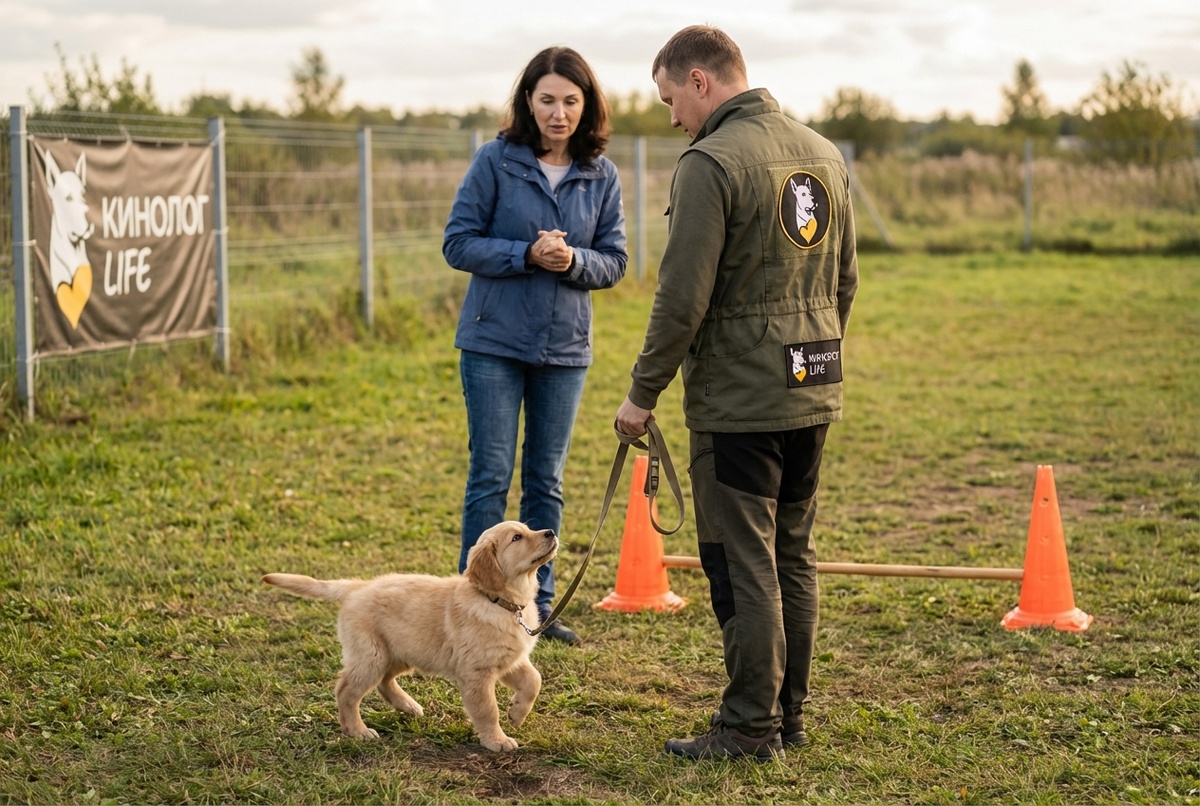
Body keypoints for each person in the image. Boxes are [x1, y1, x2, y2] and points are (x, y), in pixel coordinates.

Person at [615, 25, 858, 759]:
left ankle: (751, 725)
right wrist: (809, 352)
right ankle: (789, 717)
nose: (672, 118)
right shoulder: (823, 152)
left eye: (671, 99)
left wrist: (642, 393)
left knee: (744, 559)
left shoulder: (710, 161)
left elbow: (681, 298)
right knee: (794, 554)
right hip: (812, 383)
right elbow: (844, 281)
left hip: (741, 401)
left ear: (701, 81)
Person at [444, 46, 628, 645]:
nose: (558, 112)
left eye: (571, 101)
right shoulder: (494, 160)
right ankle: (476, 606)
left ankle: (536, 609)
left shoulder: (602, 174)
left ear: (587, 105)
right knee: (490, 475)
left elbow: (615, 261)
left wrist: (573, 260)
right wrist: (525, 253)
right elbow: (458, 243)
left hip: (564, 350)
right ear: (528, 101)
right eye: (547, 99)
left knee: (546, 479)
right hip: (492, 344)